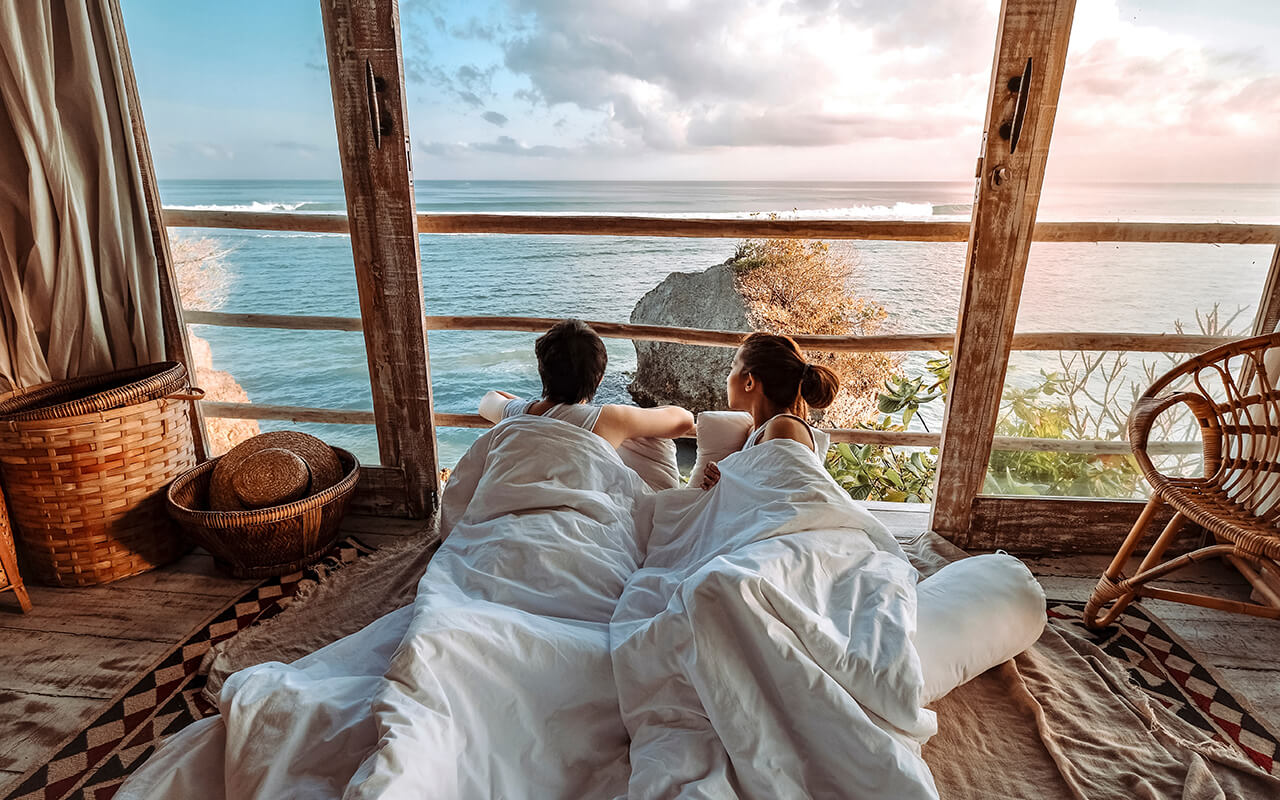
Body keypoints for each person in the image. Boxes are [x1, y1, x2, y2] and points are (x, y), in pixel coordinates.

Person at [479, 318, 695, 447]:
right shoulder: (610, 419)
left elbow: (489, 399)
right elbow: (683, 419)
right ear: (599, 379)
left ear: (541, 371)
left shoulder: (517, 413)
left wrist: (531, 409)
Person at [701, 332, 838, 489]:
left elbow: (788, 496)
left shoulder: (784, 426)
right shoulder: (754, 431)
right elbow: (755, 486)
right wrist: (722, 477)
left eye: (732, 367)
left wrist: (730, 477)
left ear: (749, 382)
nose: (727, 377)